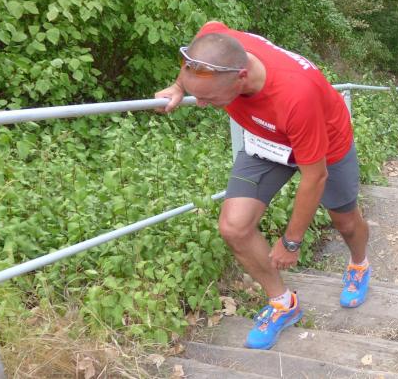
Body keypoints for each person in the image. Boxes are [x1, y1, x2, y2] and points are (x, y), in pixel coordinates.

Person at [155, 21, 371, 350]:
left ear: (241, 77)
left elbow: (315, 176)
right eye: (198, 96)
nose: (201, 104)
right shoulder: (216, 44)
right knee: (234, 226)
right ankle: (283, 304)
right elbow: (204, 40)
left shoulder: (296, 95)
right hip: (266, 140)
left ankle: (359, 264)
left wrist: (291, 242)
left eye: (209, 98)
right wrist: (179, 86)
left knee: (345, 221)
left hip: (324, 140)